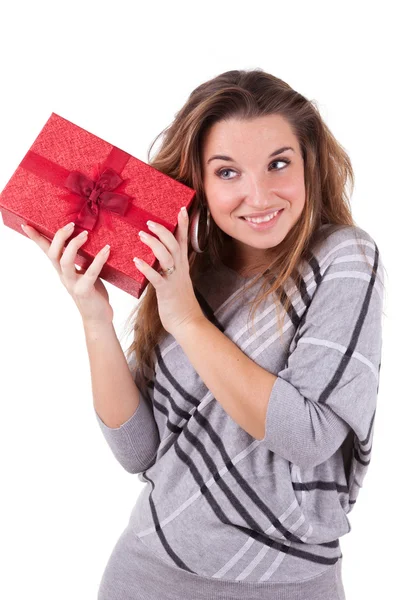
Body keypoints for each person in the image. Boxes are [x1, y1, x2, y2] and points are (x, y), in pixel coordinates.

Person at [22, 69, 385, 600]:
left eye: (278, 164)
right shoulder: (184, 269)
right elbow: (138, 452)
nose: (258, 195)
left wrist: (186, 318)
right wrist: (94, 315)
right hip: (146, 573)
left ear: (309, 164)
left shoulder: (345, 258)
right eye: (228, 172)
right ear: (200, 181)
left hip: (287, 582)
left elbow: (308, 438)